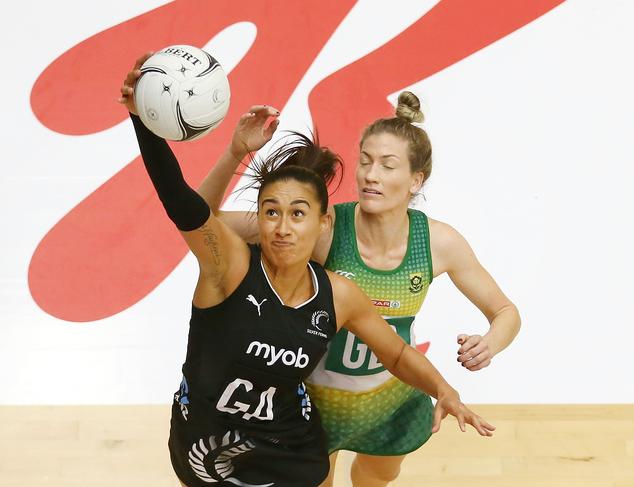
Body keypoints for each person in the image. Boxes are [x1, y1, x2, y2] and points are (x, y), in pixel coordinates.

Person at [119, 55, 494, 487]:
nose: (282, 227)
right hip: (204, 437)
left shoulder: (338, 294)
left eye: (298, 214)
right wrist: (145, 121)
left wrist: (444, 390)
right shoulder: (229, 268)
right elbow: (186, 207)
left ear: (323, 223)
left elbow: (396, 353)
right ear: (257, 220)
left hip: (289, 440)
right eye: (271, 213)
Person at [192, 87, 521, 486]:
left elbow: (505, 313)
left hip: (391, 401)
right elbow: (202, 219)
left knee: (377, 477)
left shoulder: (438, 242)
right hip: (313, 404)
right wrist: (233, 153)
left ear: (416, 180)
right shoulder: (323, 227)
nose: (370, 174)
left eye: (387, 165)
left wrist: (491, 343)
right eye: (365, 161)